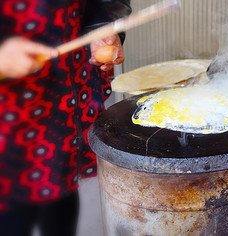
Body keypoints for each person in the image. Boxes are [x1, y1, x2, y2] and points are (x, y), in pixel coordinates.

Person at [0, 1, 131, 236]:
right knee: (12, 206)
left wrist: (100, 27)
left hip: (65, 82)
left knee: (59, 181)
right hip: (9, 103)